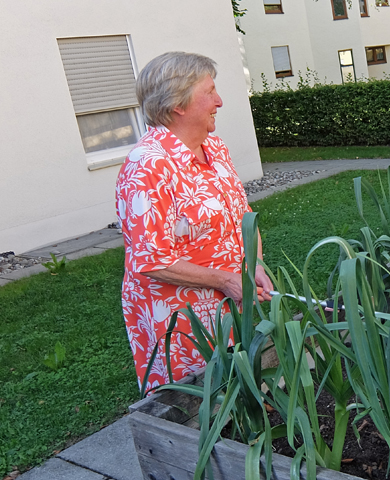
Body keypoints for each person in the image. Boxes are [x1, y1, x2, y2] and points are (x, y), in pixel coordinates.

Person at [116, 52, 273, 395]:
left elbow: (242, 215)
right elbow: (151, 258)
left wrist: (254, 262)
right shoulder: (148, 167)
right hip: (182, 320)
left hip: (231, 302)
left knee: (241, 395)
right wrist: (226, 280)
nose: (219, 101)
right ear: (178, 105)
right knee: (199, 407)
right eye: (210, 92)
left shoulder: (214, 147)